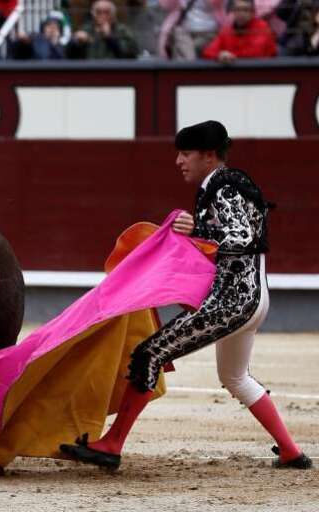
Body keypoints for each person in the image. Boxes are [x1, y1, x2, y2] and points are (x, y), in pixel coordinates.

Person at [60, 120, 313, 471]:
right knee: (235, 377)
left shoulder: (223, 185)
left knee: (149, 353)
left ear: (209, 156)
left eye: (186, 153)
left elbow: (240, 238)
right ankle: (290, 451)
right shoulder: (225, 184)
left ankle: (112, 444)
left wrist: (200, 229)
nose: (179, 161)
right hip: (251, 298)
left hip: (232, 300)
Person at [202, 0, 277, 61]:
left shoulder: (262, 27)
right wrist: (219, 55)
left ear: (253, 13)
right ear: (233, 12)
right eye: (238, 10)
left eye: (245, 10)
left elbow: (253, 54)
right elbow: (208, 52)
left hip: (259, 73)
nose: (242, 13)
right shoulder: (227, 30)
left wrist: (230, 55)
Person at [66, 0, 140, 59]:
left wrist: (110, 37)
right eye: (98, 12)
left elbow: (131, 53)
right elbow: (68, 54)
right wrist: (75, 42)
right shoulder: (86, 29)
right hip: (89, 72)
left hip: (114, 71)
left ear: (113, 14)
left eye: (107, 12)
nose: (102, 15)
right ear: (93, 13)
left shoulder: (122, 30)